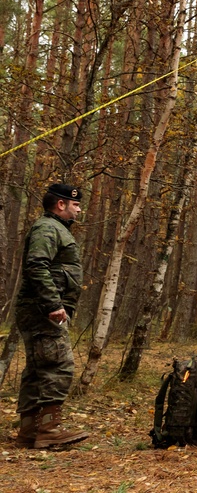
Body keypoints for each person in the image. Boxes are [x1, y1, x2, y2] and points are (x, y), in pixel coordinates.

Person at [16, 183, 90, 449]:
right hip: (42, 310)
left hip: (40, 309)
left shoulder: (55, 229)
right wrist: (52, 304)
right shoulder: (48, 228)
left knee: (38, 369)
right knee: (58, 363)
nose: (80, 210)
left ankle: (29, 431)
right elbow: (36, 265)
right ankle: (49, 429)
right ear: (61, 204)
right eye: (76, 205)